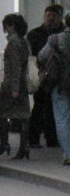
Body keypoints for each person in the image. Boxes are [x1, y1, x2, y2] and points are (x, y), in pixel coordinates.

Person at [0, 13, 31, 160]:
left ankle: (5, 144)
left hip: (12, 84)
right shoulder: (24, 41)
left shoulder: (13, 43)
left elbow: (15, 67)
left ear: (12, 26)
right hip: (22, 83)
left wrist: (14, 88)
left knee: (1, 114)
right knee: (23, 116)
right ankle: (24, 147)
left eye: (6, 26)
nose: (6, 29)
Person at [26, 4, 63, 148]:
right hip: (41, 76)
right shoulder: (35, 34)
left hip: (59, 77)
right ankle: (34, 138)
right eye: (49, 15)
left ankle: (52, 138)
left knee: (54, 109)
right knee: (39, 107)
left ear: (60, 17)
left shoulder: (64, 33)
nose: (51, 19)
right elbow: (32, 56)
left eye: (54, 16)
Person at [39, 16, 70, 166]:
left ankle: (68, 154)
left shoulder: (55, 39)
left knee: (62, 119)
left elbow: (42, 56)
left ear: (65, 23)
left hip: (60, 84)